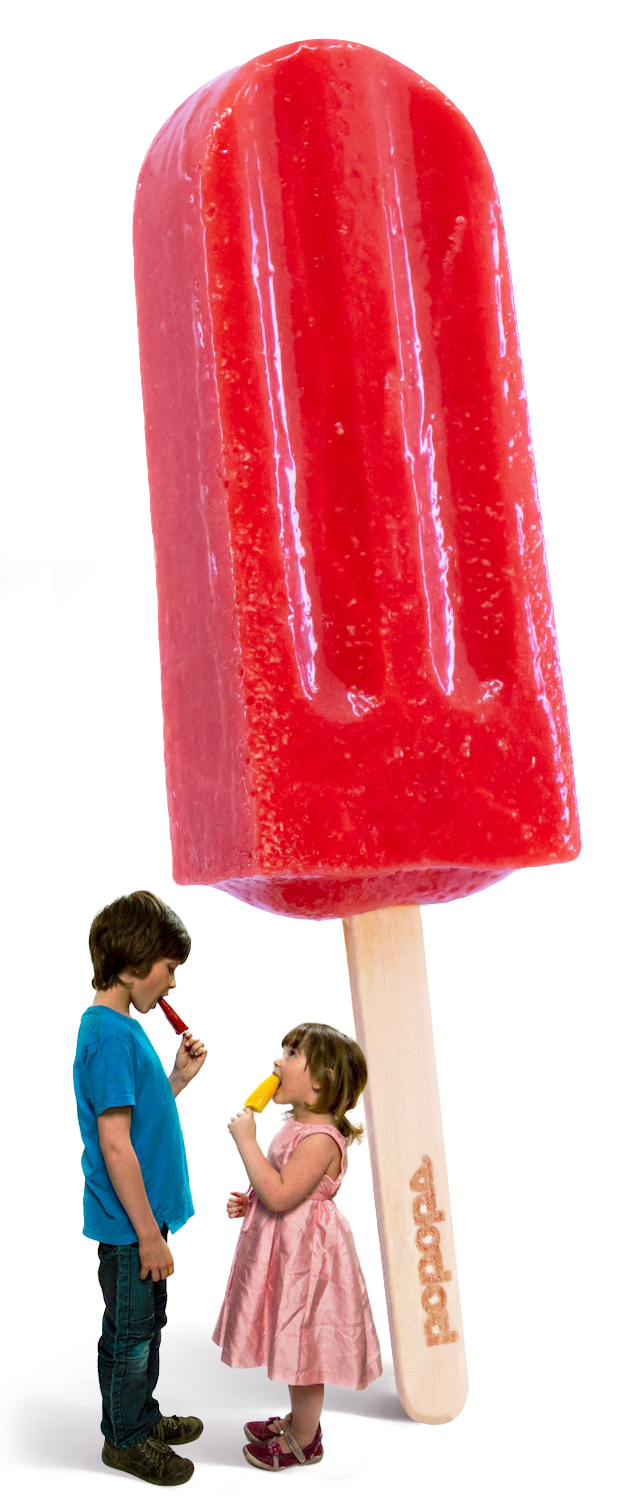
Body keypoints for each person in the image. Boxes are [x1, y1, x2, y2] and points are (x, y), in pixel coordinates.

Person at [72, 889, 208, 1488]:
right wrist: (149, 1235)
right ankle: (124, 1440)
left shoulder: (122, 1029)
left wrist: (177, 1077)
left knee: (146, 1326)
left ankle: (142, 1419)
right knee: (130, 1334)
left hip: (145, 1224)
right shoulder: (108, 1036)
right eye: (168, 967)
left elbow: (140, 1119)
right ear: (131, 967)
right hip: (133, 1230)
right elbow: (115, 1146)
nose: (173, 982)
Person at [212, 1021, 382, 1473]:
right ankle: (298, 1421)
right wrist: (250, 1201)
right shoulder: (294, 1127)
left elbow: (284, 1195)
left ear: (321, 1080)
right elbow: (273, 1186)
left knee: (305, 1349)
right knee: (291, 1341)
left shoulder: (320, 1139)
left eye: (291, 1054)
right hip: (284, 1252)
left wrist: (246, 1141)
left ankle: (306, 1440)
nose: (277, 1060)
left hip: (308, 1260)